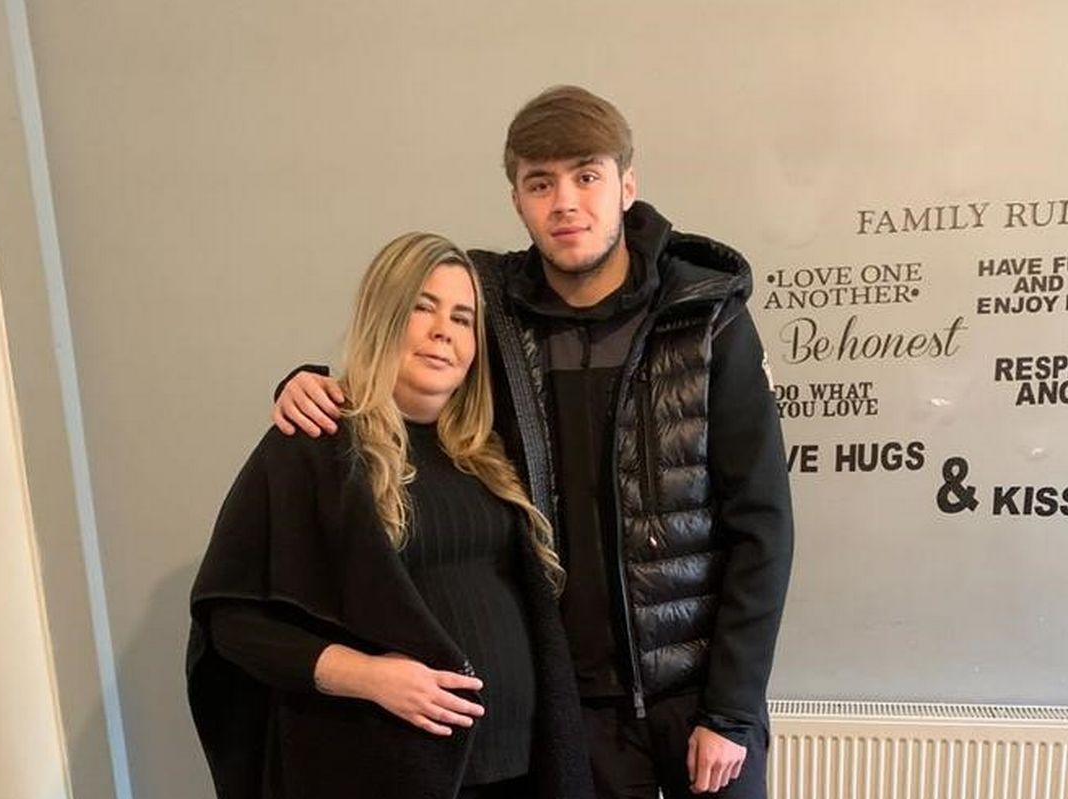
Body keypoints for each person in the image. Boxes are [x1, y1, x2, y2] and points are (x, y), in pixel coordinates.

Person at [274, 86, 794, 799]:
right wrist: (307, 381)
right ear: (517, 199)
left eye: (587, 175)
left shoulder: (708, 321)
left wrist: (731, 710)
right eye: (540, 183)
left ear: (626, 185)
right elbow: (402, 360)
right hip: (564, 710)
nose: (566, 202)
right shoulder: (491, 313)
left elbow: (762, 526)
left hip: (694, 704)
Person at [188, 232, 593, 799]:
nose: (442, 333)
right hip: (391, 767)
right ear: (384, 317)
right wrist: (372, 678)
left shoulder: (488, 453)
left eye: (461, 318)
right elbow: (232, 622)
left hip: (520, 768)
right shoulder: (317, 444)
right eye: (421, 308)